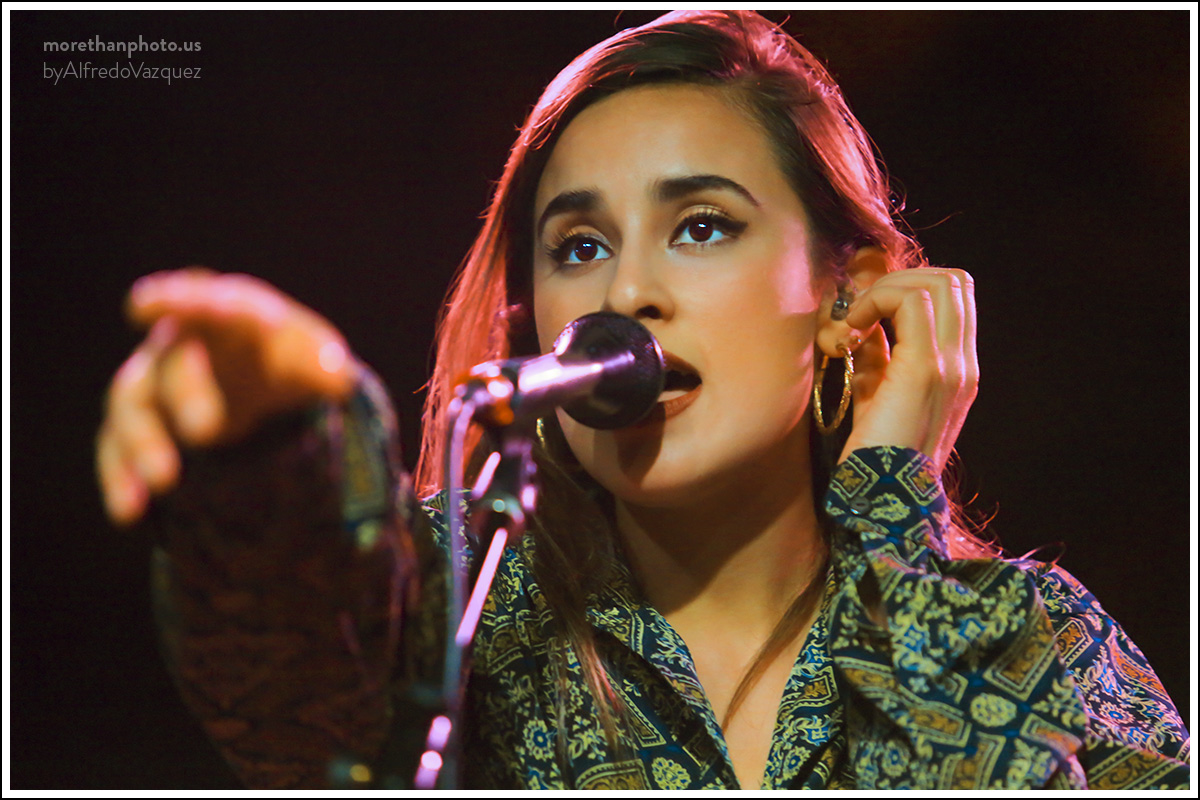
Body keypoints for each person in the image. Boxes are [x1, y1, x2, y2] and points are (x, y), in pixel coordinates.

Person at [95, 10, 1189, 790]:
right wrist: (271, 438)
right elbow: (289, 640)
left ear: (845, 295)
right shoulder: (458, 603)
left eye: (702, 225)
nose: (624, 294)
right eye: (578, 246)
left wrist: (891, 498)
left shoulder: (1039, 640)